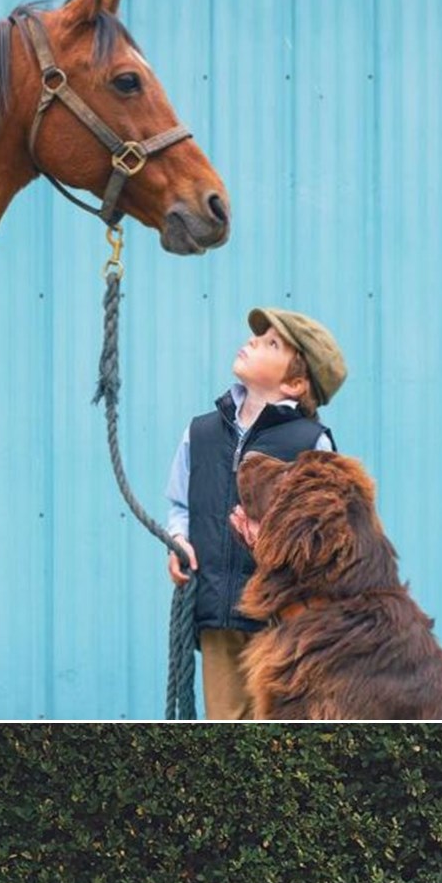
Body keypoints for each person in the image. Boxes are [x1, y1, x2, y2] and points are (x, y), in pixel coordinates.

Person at [167, 301, 346, 721]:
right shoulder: (201, 432)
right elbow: (179, 503)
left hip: (282, 620)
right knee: (224, 722)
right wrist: (177, 541)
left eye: (271, 343)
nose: (252, 341)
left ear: (296, 385)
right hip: (216, 613)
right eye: (257, 336)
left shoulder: (312, 444)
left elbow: (327, 535)